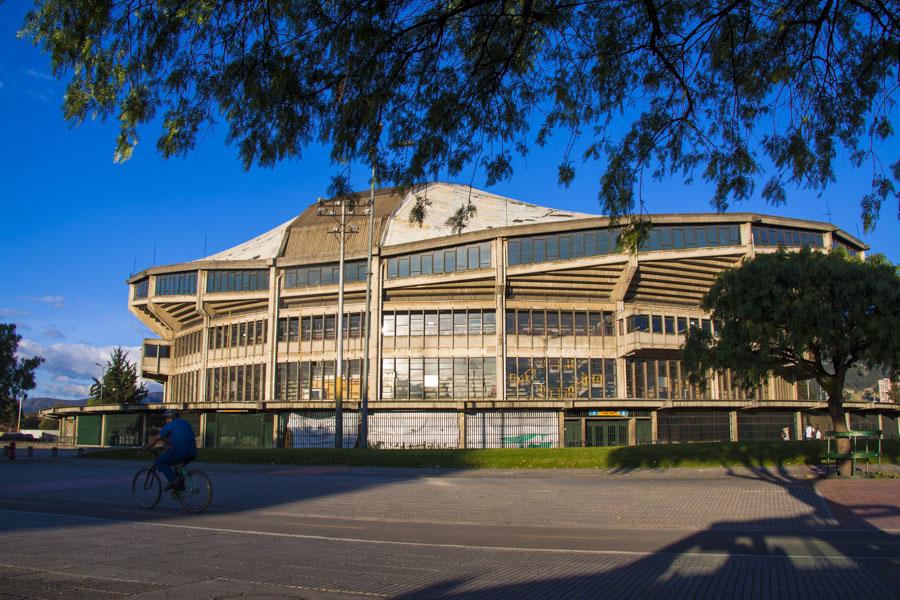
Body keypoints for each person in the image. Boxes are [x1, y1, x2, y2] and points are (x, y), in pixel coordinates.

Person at [146, 409, 197, 491]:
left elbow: (157, 438)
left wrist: (147, 446)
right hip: (192, 452)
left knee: (159, 461)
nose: (166, 421)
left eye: (166, 418)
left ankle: (172, 481)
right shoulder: (186, 423)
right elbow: (180, 437)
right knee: (177, 465)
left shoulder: (170, 425)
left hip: (180, 451)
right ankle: (180, 486)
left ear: (170, 418)